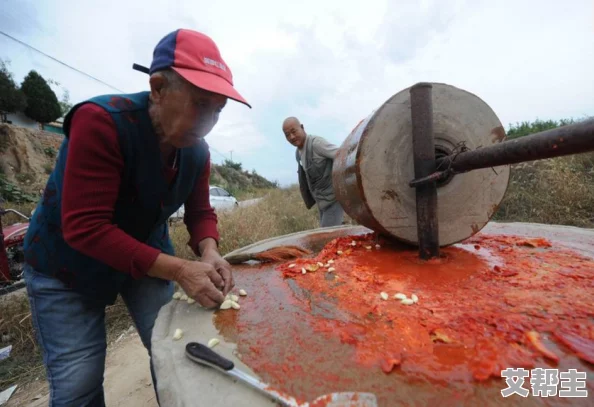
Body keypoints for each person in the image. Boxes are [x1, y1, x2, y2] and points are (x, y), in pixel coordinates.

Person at [22, 29, 250, 406]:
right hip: (64, 263)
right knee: (78, 379)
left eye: (218, 110)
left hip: (144, 253)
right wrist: (179, 269)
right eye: (199, 103)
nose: (209, 120)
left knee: (176, 350)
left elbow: (200, 211)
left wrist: (209, 250)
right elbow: (86, 228)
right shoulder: (102, 122)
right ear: (158, 88)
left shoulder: (196, 151)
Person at [282, 117, 344, 227]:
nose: (291, 137)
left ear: (302, 127)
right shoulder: (298, 153)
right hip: (321, 204)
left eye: (293, 131)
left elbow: (343, 156)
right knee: (330, 238)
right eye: (287, 135)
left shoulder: (317, 143)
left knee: (327, 239)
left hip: (333, 201)